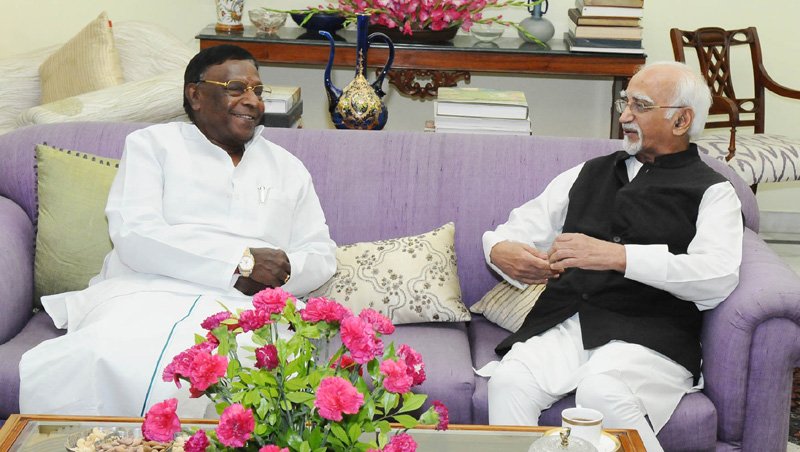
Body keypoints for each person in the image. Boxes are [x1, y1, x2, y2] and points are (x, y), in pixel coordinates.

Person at [19, 45, 337, 418]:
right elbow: (135, 233)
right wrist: (239, 262)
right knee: (102, 355)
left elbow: (319, 253)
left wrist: (280, 273)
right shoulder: (153, 146)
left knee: (253, 372)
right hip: (147, 291)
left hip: (248, 307)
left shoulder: (288, 167)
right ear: (196, 94)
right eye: (237, 88)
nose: (253, 101)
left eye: (258, 91)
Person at [481, 61, 743, 452]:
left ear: (681, 120)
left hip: (652, 332)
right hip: (569, 321)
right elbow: (515, 230)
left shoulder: (714, 192)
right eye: (626, 102)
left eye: (640, 105)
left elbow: (717, 277)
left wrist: (619, 257)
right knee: (509, 381)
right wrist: (500, 251)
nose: (624, 115)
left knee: (600, 390)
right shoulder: (588, 172)